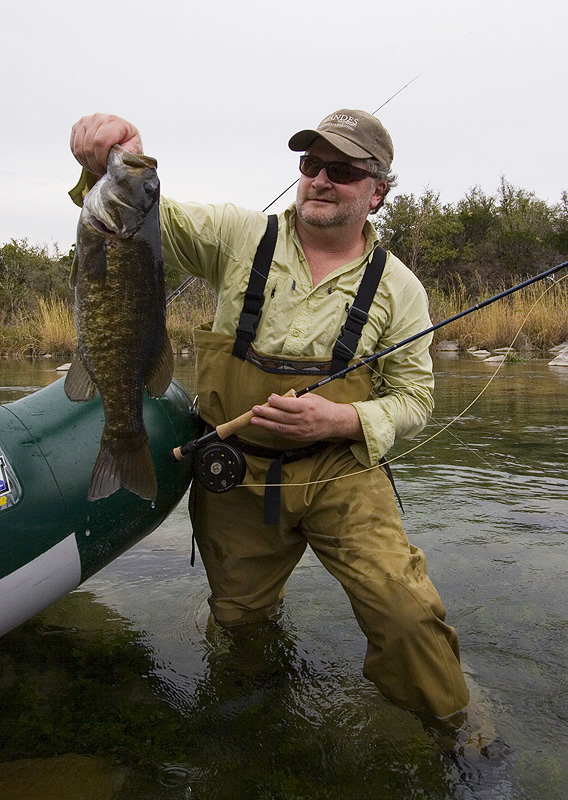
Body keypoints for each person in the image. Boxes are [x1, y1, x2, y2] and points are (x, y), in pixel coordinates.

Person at [69, 109, 472, 726]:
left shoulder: (402, 289)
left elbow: (415, 398)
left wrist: (338, 422)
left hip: (343, 471)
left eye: (342, 170)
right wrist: (113, 160)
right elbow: (138, 220)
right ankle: (263, 716)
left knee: (405, 612)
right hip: (238, 472)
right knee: (238, 621)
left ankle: (458, 731)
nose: (320, 180)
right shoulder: (239, 236)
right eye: (311, 165)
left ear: (378, 191)